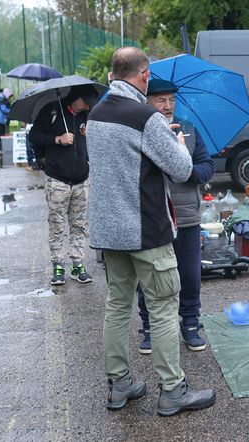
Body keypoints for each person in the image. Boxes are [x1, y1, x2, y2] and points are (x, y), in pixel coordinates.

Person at [86, 47, 216, 416]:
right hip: (145, 228)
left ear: (113, 73)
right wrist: (177, 145)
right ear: (143, 76)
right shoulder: (146, 118)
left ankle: (119, 384)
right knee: (161, 307)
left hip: (109, 232)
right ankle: (173, 389)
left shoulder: (96, 115)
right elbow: (181, 169)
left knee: (117, 305)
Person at [137, 79, 215, 355]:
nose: (167, 106)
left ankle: (191, 323)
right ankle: (148, 327)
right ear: (147, 101)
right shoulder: (139, 130)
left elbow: (207, 165)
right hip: (153, 216)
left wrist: (188, 168)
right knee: (150, 275)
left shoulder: (189, 129)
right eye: (160, 100)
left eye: (171, 100)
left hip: (186, 215)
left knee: (190, 274)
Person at [29, 85, 97, 285]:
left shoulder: (89, 115)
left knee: (79, 225)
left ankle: (78, 264)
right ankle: (58, 266)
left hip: (82, 180)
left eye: (89, 103)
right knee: (57, 225)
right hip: (57, 179)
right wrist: (57, 139)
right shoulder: (51, 110)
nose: (86, 106)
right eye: (84, 102)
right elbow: (34, 137)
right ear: (75, 97)